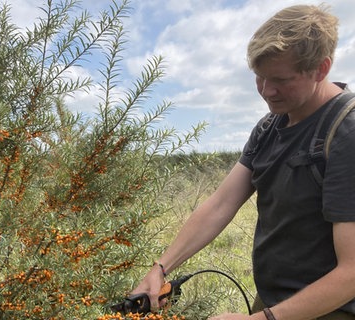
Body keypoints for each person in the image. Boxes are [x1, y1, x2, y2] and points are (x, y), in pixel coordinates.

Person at [130, 4, 355, 320]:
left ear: (321, 68)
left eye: (280, 79)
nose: (266, 91)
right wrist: (161, 268)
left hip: (332, 310)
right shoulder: (269, 127)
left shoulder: (346, 133)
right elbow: (221, 204)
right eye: (259, 78)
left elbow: (352, 274)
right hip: (275, 304)